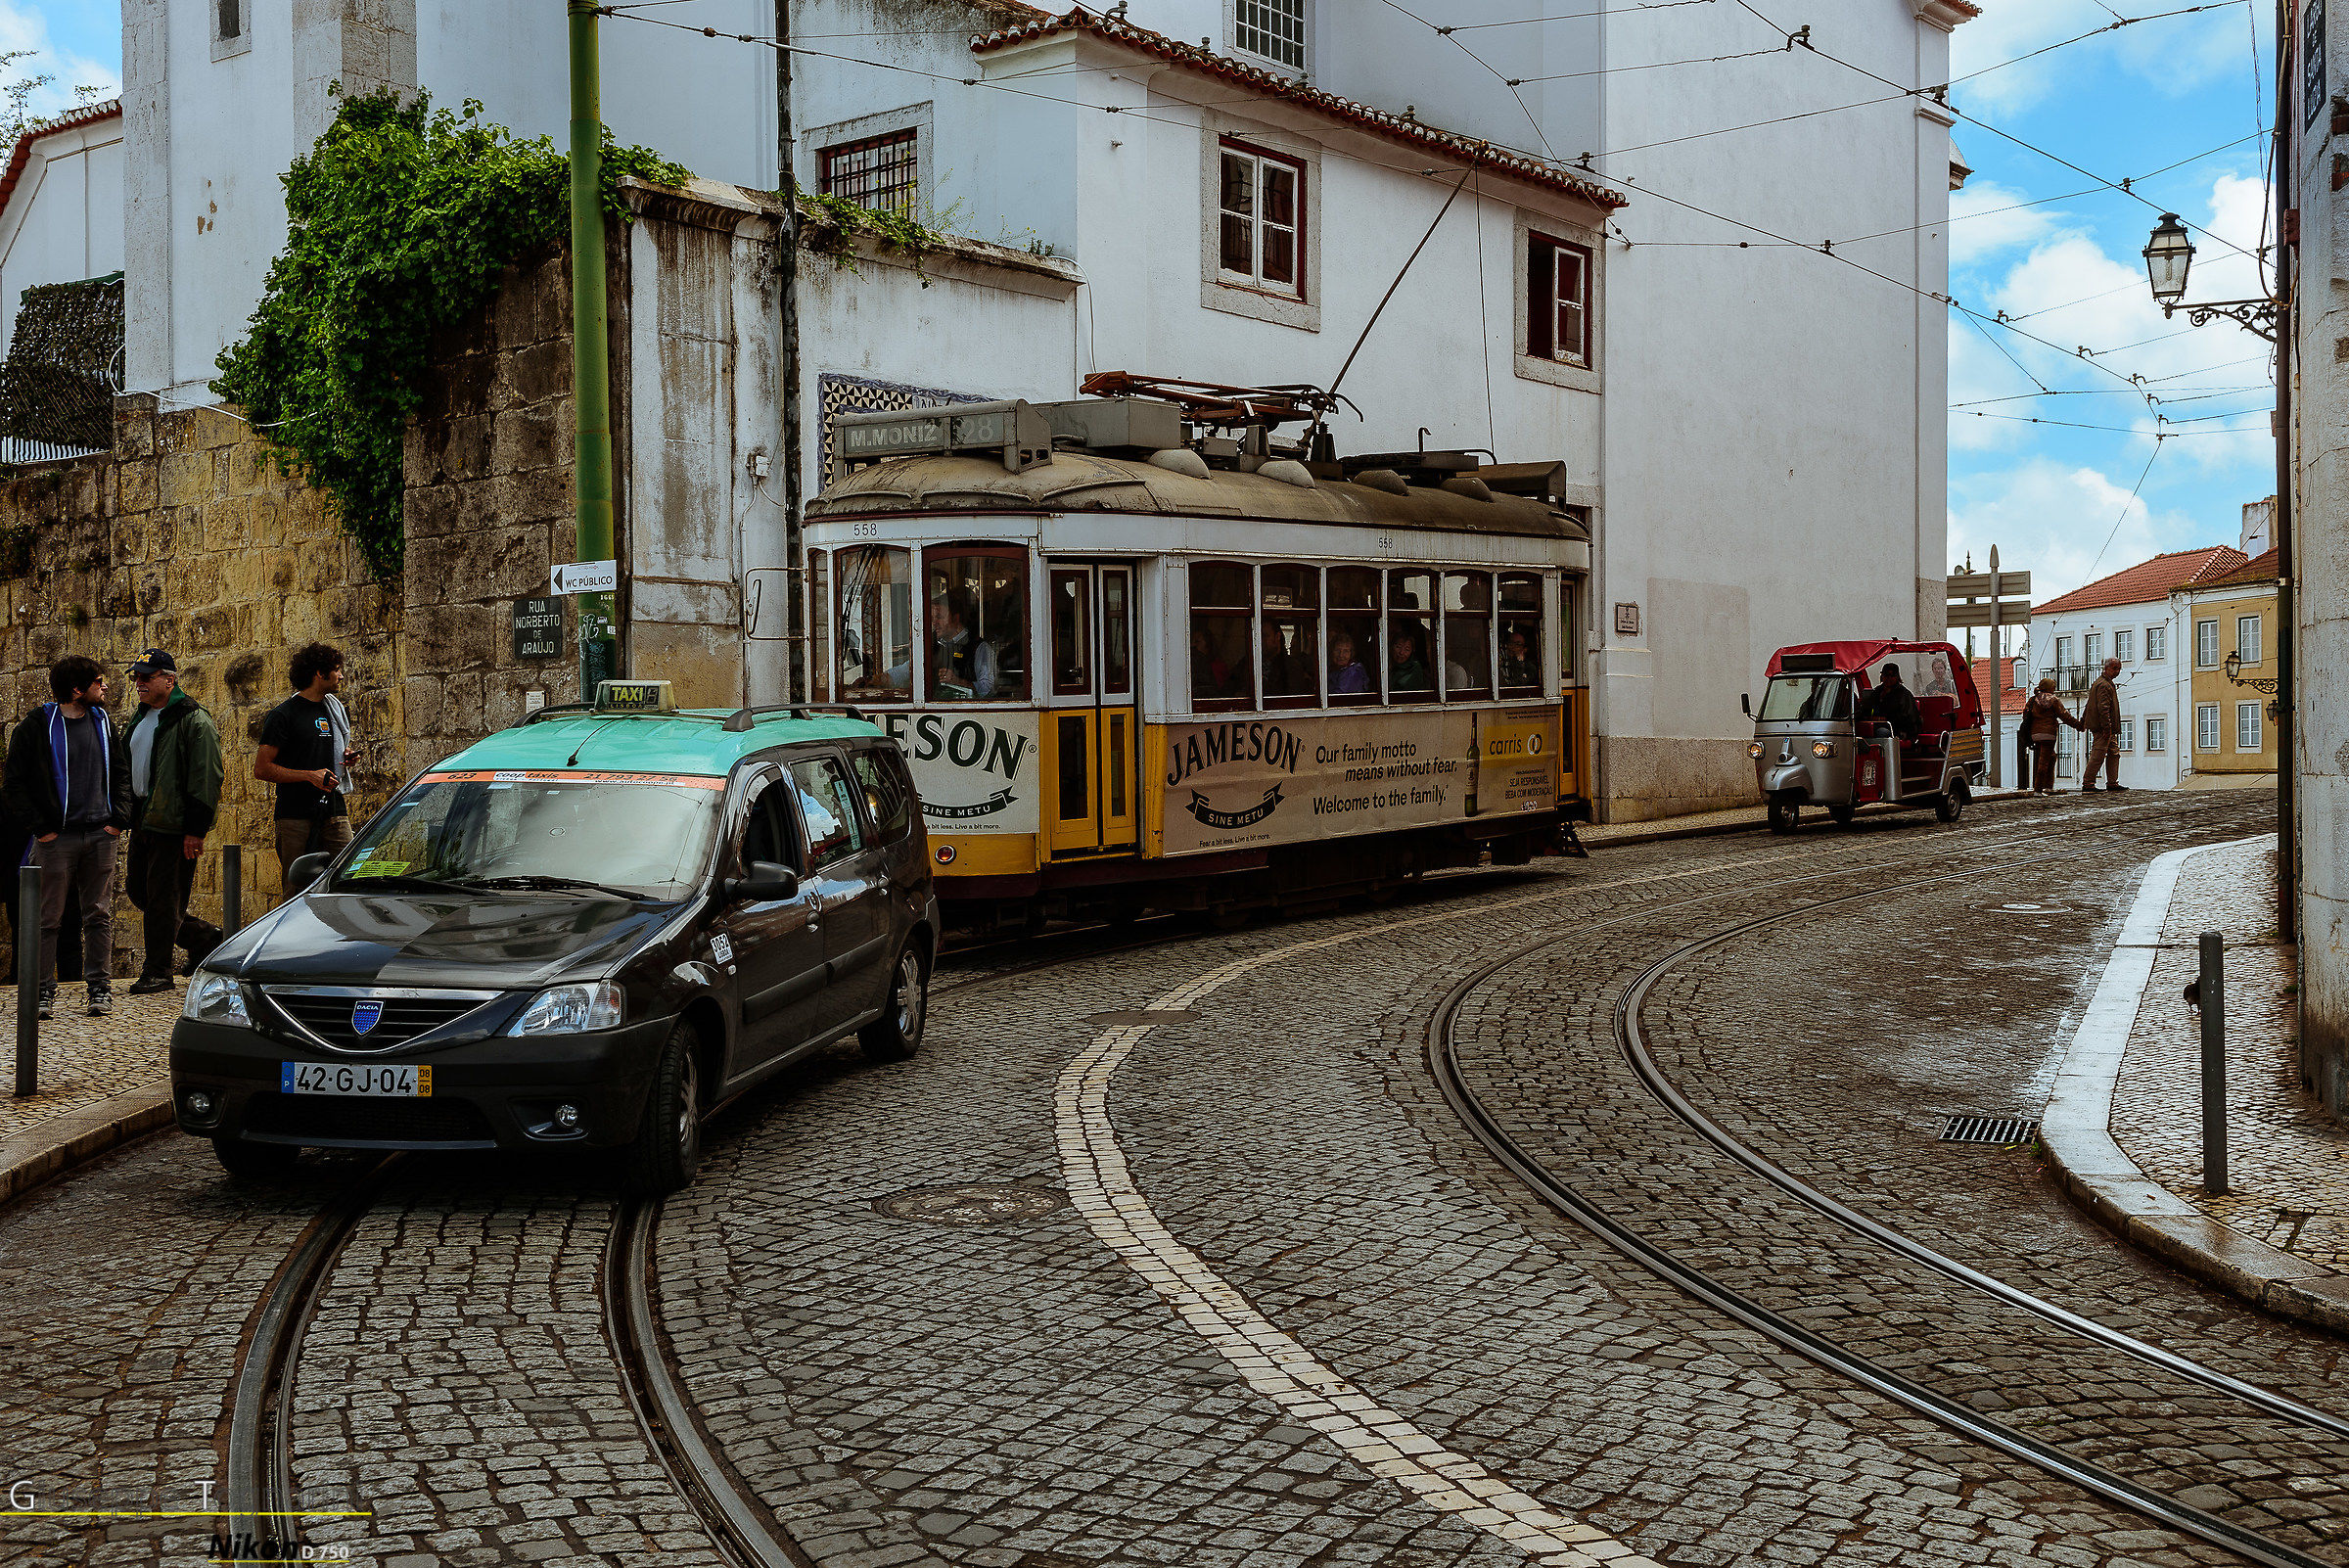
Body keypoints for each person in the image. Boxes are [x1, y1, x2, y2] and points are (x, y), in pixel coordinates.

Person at [1, 656, 132, 1018]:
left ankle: (99, 988)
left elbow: (120, 772)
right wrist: (41, 828)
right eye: (98, 681)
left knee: (98, 915)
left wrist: (118, 819)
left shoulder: (103, 722)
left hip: (100, 834)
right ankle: (43, 991)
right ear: (77, 690)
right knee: (47, 918)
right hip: (56, 839)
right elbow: (14, 784)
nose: (105, 687)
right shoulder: (36, 726)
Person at [122, 649, 223, 993]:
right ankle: (205, 938)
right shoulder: (142, 717)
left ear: (170, 679)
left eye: (146, 677)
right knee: (139, 892)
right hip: (144, 820)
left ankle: (158, 970)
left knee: (164, 898)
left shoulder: (193, 719)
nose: (139, 683)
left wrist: (195, 830)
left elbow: (206, 777)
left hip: (174, 824)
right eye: (136, 677)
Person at [256, 643, 358, 886]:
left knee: (348, 876)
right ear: (319, 674)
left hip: (333, 809)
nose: (341, 675)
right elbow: (262, 768)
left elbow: (324, 752)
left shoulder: (334, 711)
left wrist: (346, 758)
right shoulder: (283, 715)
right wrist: (309, 776)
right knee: (296, 886)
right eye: (336, 670)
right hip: (295, 814)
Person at [929, 594, 998, 700]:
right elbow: (906, 671)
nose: (934, 623)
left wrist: (957, 681)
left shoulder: (979, 648)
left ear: (956, 618)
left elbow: (989, 689)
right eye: (932, 618)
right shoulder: (930, 644)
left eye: (939, 617)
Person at [2021, 677, 2083, 795]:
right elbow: (2065, 716)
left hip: (2035, 734)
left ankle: (2048, 786)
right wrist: (2078, 725)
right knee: (2043, 761)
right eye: (2053, 686)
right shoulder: (2054, 700)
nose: (2055, 689)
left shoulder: (2033, 699)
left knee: (2051, 757)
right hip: (2049, 734)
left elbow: (2025, 714)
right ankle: (2038, 789)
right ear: (2049, 687)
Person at [2079, 656, 2127, 793]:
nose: (2117, 671)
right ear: (2106, 669)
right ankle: (2088, 783)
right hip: (2103, 727)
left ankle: (2112, 782)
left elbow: (2089, 704)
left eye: (2119, 669)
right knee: (2098, 754)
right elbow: (2103, 708)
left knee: (2114, 753)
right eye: (2114, 668)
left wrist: (2083, 720)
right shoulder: (2104, 685)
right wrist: (2107, 727)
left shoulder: (2102, 683)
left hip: (2107, 727)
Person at [1856, 662, 1920, 741]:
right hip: (1875, 726)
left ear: (1897, 677)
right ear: (1882, 676)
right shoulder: (1876, 692)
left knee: (1882, 732)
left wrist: (1886, 719)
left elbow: (1910, 718)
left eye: (1892, 675)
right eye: (1886, 675)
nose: (1889, 678)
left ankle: (1883, 753)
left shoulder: (1904, 694)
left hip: (1898, 730)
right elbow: (1866, 710)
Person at [1261, 622, 1313, 700]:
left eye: (1265, 636)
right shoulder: (1247, 663)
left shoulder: (1291, 667)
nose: (1261, 640)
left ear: (1277, 637)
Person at [1389, 627, 1432, 696]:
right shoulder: (1386, 665)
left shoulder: (1415, 668)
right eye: (1398, 647)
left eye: (1407, 649)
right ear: (1391, 647)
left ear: (1412, 651)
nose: (1401, 652)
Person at [1329, 631, 1371, 696]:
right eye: (1337, 650)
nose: (1341, 655)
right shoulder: (1333, 669)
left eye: (1345, 651)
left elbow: (1338, 697)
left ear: (1351, 654)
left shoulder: (1354, 672)